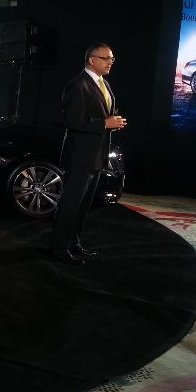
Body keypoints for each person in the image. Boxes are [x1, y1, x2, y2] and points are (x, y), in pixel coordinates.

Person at [51, 42, 127, 266]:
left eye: (112, 59)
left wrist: (112, 122)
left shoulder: (104, 84)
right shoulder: (77, 85)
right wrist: (104, 123)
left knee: (83, 205)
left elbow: (102, 115)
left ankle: (74, 244)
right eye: (106, 58)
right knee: (71, 204)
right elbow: (72, 121)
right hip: (80, 157)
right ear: (92, 60)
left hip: (95, 156)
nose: (110, 62)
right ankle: (59, 248)